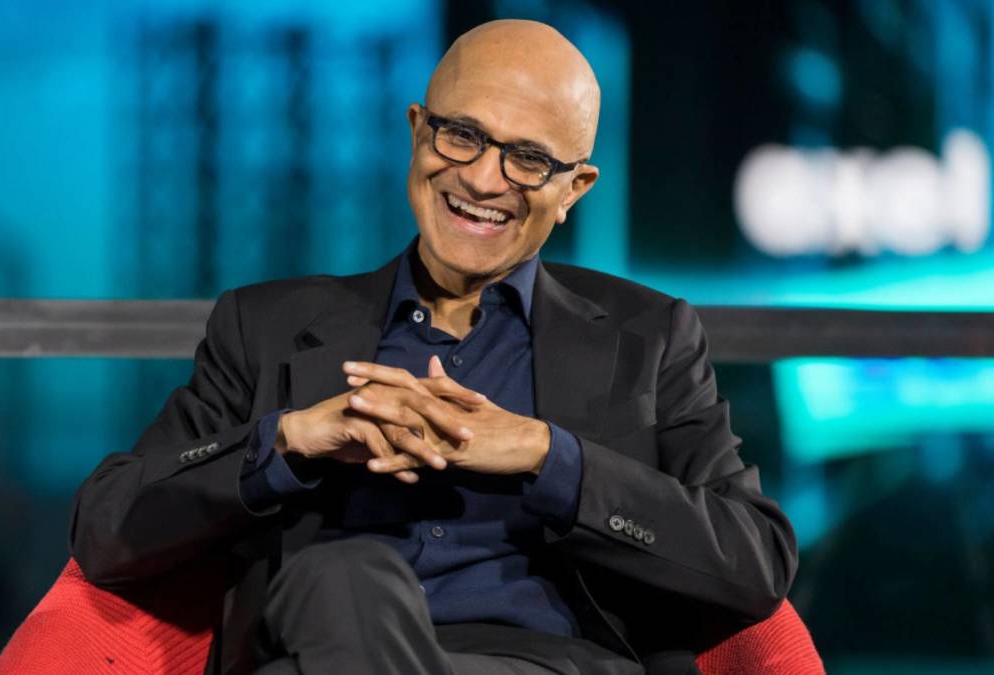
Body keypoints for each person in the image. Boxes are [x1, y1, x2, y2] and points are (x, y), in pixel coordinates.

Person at [69, 19, 797, 675]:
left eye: (528, 159)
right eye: (463, 136)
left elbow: (755, 558)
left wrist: (549, 456)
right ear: (418, 131)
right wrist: (288, 441)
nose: (481, 178)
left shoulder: (648, 335)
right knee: (342, 575)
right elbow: (107, 528)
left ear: (574, 187)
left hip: (545, 664)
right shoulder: (264, 326)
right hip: (317, 651)